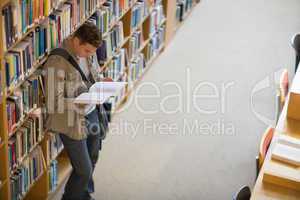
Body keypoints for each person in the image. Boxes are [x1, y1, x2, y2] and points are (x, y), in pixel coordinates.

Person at [44, 22, 109, 200]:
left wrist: (102, 81)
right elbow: (53, 103)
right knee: (83, 170)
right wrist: (81, 101)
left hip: (92, 111)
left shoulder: (88, 53)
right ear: (76, 40)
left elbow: (91, 75)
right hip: (71, 121)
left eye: (93, 52)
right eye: (87, 51)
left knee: (94, 154)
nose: (90, 55)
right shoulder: (57, 61)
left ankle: (83, 194)